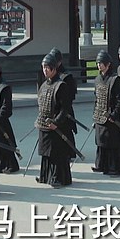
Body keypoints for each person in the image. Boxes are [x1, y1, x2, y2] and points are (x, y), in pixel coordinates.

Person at [34, 52, 75, 188]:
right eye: (43, 67)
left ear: (54, 68)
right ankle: (46, 176)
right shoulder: (44, 85)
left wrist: (56, 122)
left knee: (56, 153)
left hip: (56, 125)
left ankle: (58, 178)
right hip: (44, 124)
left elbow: (65, 108)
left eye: (47, 67)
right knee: (46, 153)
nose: (45, 70)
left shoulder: (61, 85)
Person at [91, 50, 120, 176]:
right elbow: (96, 99)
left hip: (111, 117)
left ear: (108, 64)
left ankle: (114, 167)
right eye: (98, 63)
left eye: (101, 63)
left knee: (112, 143)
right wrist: (95, 115)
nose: (99, 65)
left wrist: (114, 114)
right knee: (100, 142)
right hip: (99, 115)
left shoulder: (115, 79)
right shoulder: (97, 79)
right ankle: (101, 165)